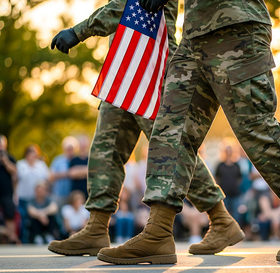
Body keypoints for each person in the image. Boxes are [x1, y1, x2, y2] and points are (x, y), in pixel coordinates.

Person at [96, 0, 280, 264]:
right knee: (171, 130)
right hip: (194, 36)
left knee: (255, 127)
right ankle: (158, 232)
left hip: (236, 25)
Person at [48, 0, 238, 257]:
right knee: (106, 147)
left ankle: (221, 219)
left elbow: (125, 6)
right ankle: (96, 228)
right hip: (124, 64)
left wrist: (79, 31)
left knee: (170, 149)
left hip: (151, 65)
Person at [16, 144, 50, 243]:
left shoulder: (41, 165)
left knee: (36, 219)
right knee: (23, 219)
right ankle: (23, 240)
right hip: (23, 197)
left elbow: (47, 179)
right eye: (30, 153)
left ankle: (38, 237)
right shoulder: (20, 164)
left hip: (37, 199)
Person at [215, 144, 242, 223]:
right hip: (224, 195)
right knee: (224, 215)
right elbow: (217, 179)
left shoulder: (237, 165)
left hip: (235, 194)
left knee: (236, 215)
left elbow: (239, 178)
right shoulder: (220, 165)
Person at [49, 136, 79, 206]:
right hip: (59, 195)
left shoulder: (77, 160)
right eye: (68, 148)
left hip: (73, 197)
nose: (69, 150)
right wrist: (68, 174)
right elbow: (50, 176)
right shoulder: (58, 160)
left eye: (71, 148)